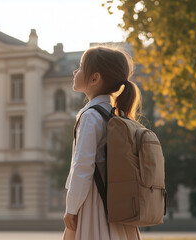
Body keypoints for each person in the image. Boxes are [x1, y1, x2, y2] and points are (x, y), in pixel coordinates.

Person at [63, 46, 142, 240]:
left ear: (94, 78)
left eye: (80, 67)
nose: (75, 71)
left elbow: (82, 166)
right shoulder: (116, 115)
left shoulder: (90, 116)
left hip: (94, 205)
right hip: (115, 205)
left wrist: (71, 208)